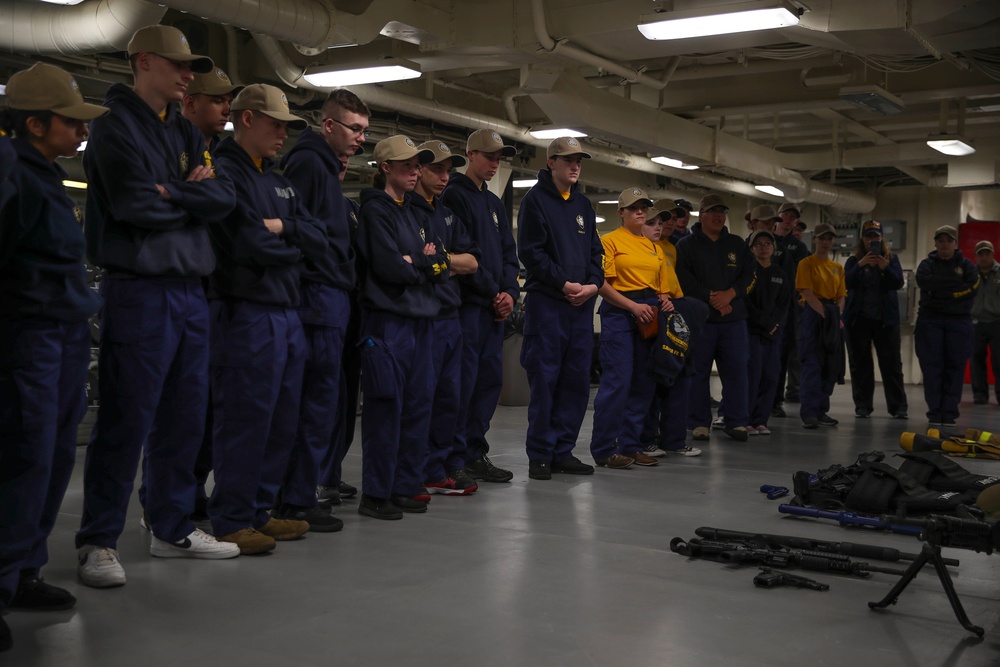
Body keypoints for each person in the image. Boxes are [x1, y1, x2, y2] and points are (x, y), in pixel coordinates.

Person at [77, 25, 239, 589]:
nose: (188, 76)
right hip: (140, 288)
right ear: (144, 62)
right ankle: (98, 539)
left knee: (184, 416)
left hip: (190, 289)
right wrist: (183, 194)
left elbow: (223, 197)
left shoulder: (185, 132)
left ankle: (170, 526)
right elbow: (134, 205)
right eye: (178, 65)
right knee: (126, 417)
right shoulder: (111, 127)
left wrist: (176, 191)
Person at [0, 63, 108, 653]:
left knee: (51, 457)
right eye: (70, 122)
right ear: (36, 123)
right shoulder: (10, 170)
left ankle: (22, 573)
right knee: (22, 459)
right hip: (28, 338)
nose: (79, 131)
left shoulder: (46, 172)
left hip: (63, 338)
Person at [206, 84, 326, 552]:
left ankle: (259, 510)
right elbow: (247, 244)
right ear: (247, 119)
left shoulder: (278, 177)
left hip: (285, 311)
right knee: (245, 418)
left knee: (281, 419)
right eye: (276, 124)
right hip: (246, 311)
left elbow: (321, 238)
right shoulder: (227, 172)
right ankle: (231, 516)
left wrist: (287, 231)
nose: (283, 134)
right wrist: (293, 243)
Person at [277, 89, 369, 525]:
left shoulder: (325, 168)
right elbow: (301, 233)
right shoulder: (309, 164)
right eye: (355, 128)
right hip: (316, 297)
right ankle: (296, 497)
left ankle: (300, 491)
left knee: (323, 401)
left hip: (329, 297)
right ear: (329, 125)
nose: (361, 139)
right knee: (312, 402)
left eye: (364, 131)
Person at [356, 135, 444, 519]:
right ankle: (376, 493)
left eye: (417, 164)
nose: (415, 171)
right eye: (407, 165)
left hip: (421, 321)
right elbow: (390, 267)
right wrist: (421, 264)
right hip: (388, 322)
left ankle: (405, 484)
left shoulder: (415, 212)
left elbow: (441, 261)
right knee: (386, 408)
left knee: (417, 407)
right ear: (386, 168)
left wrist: (420, 262)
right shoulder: (376, 211)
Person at [172, 66, 240, 524]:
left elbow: (223, 201)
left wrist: (187, 195)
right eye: (216, 100)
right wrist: (187, 193)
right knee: (177, 410)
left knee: (205, 405)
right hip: (182, 288)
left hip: (206, 291)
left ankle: (188, 495)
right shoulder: (171, 145)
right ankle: (169, 501)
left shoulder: (214, 154)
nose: (226, 108)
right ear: (189, 102)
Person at [517, 137, 604, 479]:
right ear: (551, 162)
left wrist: (594, 284)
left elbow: (597, 253)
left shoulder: (583, 204)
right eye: (567, 159)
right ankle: (540, 454)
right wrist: (563, 283)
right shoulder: (535, 201)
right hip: (549, 305)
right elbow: (531, 252)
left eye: (578, 159)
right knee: (546, 379)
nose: (575, 165)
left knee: (576, 381)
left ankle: (563, 450)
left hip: (581, 307)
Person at [440, 130, 520, 483]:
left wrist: (510, 294)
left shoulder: (494, 202)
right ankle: (454, 456)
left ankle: (474, 452)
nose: (494, 163)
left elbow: (508, 254)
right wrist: (493, 293)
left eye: (498, 158)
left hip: (494, 309)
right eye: (488, 156)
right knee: (465, 384)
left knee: (489, 382)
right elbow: (466, 253)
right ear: (470, 154)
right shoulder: (455, 196)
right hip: (470, 307)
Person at [588, 188, 684, 468]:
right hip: (620, 313)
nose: (640, 212)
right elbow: (602, 284)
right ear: (621, 213)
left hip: (649, 313)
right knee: (617, 382)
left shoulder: (655, 247)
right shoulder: (609, 241)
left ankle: (631, 445)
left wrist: (664, 302)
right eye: (633, 208)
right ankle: (604, 448)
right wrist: (632, 307)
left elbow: (662, 288)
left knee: (643, 384)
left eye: (644, 207)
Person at [409, 140, 480, 495]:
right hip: (424, 317)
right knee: (422, 397)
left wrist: (438, 262)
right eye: (437, 169)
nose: (444, 176)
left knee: (451, 397)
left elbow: (472, 262)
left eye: (448, 170)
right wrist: (444, 265)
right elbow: (411, 264)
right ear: (418, 169)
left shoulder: (446, 214)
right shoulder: (407, 211)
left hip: (452, 316)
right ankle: (416, 468)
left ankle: (438, 468)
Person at [675, 194, 757, 442]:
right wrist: (712, 298)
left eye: (722, 211)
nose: (718, 215)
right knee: (698, 373)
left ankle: (737, 421)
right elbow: (683, 279)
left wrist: (730, 294)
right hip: (702, 321)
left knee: (736, 372)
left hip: (733, 321)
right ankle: (699, 422)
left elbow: (750, 274)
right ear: (702, 215)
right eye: (712, 211)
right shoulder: (686, 246)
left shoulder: (737, 244)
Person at [639, 203, 703, 457]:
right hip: (654, 312)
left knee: (681, 377)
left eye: (671, 219)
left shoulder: (671, 248)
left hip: (676, 312)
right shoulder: (643, 246)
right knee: (655, 378)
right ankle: (647, 439)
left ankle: (674, 440)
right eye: (658, 220)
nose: (666, 224)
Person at [914, 225, 979, 426]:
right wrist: (953, 288)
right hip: (930, 321)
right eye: (940, 241)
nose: (944, 244)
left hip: (958, 322)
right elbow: (924, 282)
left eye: (948, 241)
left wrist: (941, 292)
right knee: (932, 367)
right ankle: (935, 411)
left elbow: (972, 287)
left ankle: (949, 412)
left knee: (955, 366)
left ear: (955, 244)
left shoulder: (967, 266)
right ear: (935, 243)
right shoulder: (926, 264)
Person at [843, 219, 907, 419]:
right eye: (869, 236)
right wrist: (862, 264)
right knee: (860, 365)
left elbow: (898, 282)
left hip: (885, 321)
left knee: (892, 366)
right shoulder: (853, 261)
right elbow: (845, 283)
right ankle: (862, 405)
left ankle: (898, 407)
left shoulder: (892, 259)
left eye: (876, 237)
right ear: (863, 239)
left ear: (882, 239)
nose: (872, 240)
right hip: (858, 321)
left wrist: (884, 267)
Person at [795, 223, 846, 429]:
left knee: (829, 365)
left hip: (832, 314)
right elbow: (807, 292)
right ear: (814, 239)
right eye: (822, 238)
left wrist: (837, 315)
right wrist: (826, 314)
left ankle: (821, 410)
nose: (825, 242)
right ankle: (808, 413)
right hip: (814, 314)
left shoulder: (838, 268)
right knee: (812, 365)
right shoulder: (806, 264)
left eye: (829, 239)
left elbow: (842, 295)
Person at [745, 229, 792, 434]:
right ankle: (745, 419)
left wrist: (775, 325)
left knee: (770, 376)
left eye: (767, 243)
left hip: (773, 334)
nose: (763, 247)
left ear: (773, 247)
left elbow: (784, 303)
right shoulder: (747, 272)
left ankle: (761, 420)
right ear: (752, 248)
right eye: (758, 244)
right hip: (752, 332)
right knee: (752, 376)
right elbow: (745, 301)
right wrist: (764, 322)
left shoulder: (779, 274)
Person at [772, 202, 811, 417]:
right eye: (785, 215)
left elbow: (802, 276)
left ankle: (776, 400)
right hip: (767, 305)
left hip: (790, 306)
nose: (788, 220)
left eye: (792, 217)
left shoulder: (799, 247)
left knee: (785, 353)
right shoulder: (766, 241)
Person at [971, 240, 1000, 405]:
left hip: (997, 322)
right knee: (976, 360)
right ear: (976, 256)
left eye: (987, 254)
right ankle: (980, 394)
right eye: (980, 254)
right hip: (976, 322)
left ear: (993, 254)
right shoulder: (970, 274)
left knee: (999, 361)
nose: (984, 257)